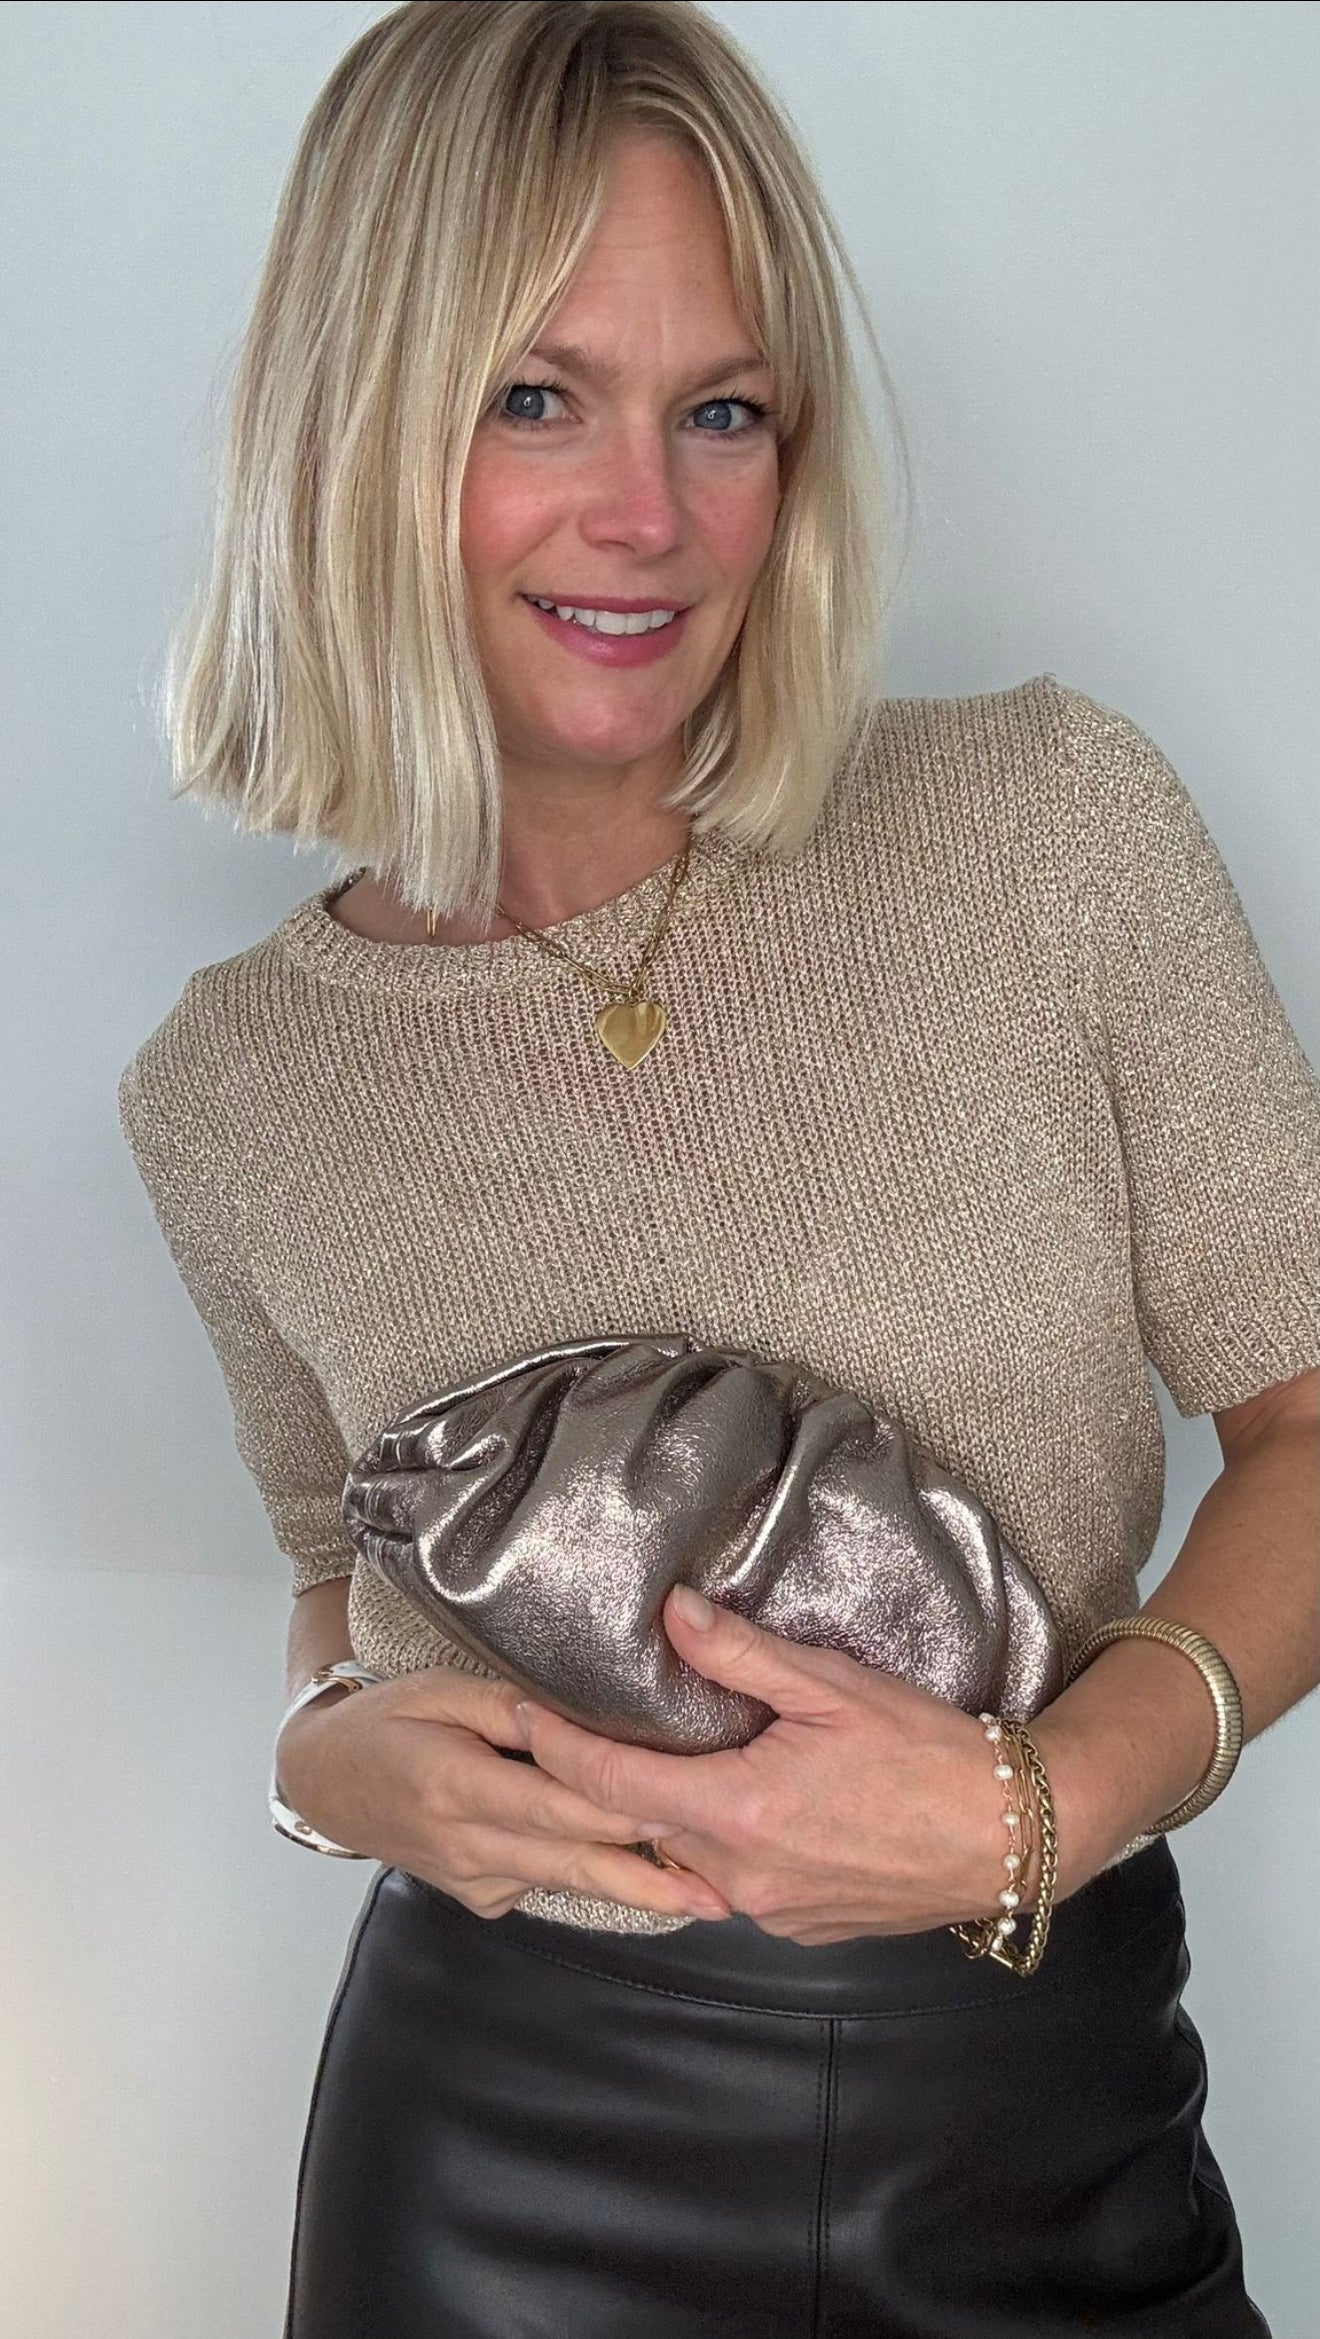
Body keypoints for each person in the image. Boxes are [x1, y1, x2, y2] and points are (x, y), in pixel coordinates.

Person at [117, 5, 1319, 2334]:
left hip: (1052, 2130)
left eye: (725, 411)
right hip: (494, 2164)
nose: (647, 519)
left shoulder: (1053, 831)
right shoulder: (234, 1088)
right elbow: (327, 1583)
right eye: (532, 396)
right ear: (359, 433)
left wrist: (1042, 1804)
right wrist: (319, 1763)